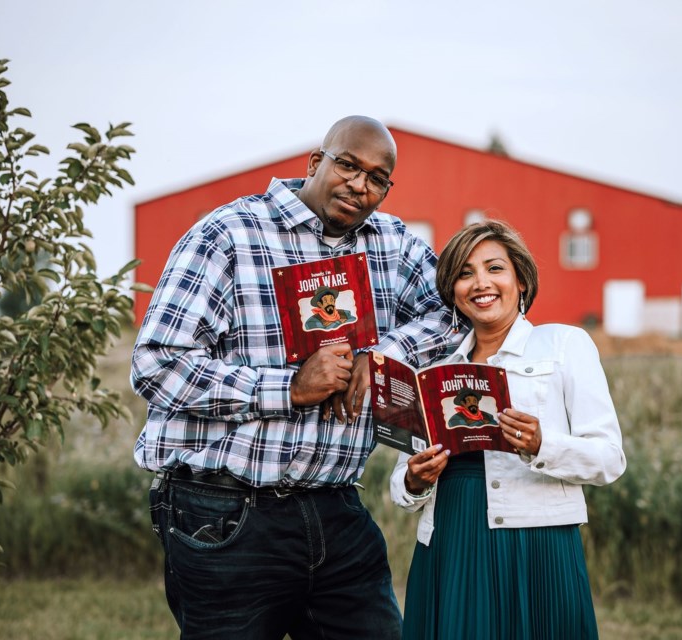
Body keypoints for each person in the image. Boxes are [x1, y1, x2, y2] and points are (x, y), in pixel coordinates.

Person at [131, 115, 458, 640]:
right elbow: (157, 365)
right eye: (348, 165)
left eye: (377, 178)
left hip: (338, 508)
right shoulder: (228, 235)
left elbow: (456, 311)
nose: (359, 184)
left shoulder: (393, 246)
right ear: (315, 162)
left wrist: (383, 353)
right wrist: (287, 387)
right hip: (226, 513)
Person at [390, 220, 626, 640]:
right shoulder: (435, 371)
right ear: (453, 291)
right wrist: (413, 478)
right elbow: (400, 486)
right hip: (451, 539)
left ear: (520, 278)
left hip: (538, 544)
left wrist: (542, 445)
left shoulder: (565, 345)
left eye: (494, 268)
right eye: (464, 273)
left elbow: (609, 459)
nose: (479, 283)